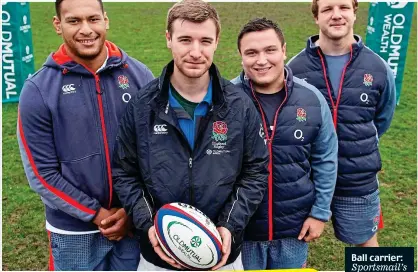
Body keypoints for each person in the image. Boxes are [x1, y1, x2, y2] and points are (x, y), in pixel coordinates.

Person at [111, 0, 269, 270]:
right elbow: (125, 173)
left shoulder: (239, 106)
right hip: (159, 255)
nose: (196, 52)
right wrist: (149, 224)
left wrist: (229, 225)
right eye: (185, 40)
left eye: (205, 41)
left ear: (217, 42)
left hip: (221, 254)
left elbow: (255, 171)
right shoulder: (141, 107)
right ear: (169, 39)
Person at [17, 0, 154, 270]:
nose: (86, 29)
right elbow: (41, 174)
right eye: (74, 21)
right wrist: (96, 214)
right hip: (73, 233)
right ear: (58, 25)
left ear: (106, 20)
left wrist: (131, 209)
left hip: (132, 225)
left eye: (93, 19)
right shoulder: (38, 90)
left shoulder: (140, 76)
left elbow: (157, 151)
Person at [231, 18, 338, 269]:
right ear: (241, 56)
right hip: (240, 232)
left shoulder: (312, 98)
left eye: (270, 50)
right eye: (251, 53)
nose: (261, 60)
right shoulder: (226, 100)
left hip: (295, 230)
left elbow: (326, 158)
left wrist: (319, 213)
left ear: (284, 50)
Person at [287, 0, 396, 247]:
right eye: (327, 9)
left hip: (357, 180)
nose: (336, 15)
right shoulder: (295, 68)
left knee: (367, 246)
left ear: (354, 13)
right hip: (306, 180)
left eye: (343, 8)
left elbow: (382, 118)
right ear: (316, 17)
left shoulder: (377, 67)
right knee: (294, 247)